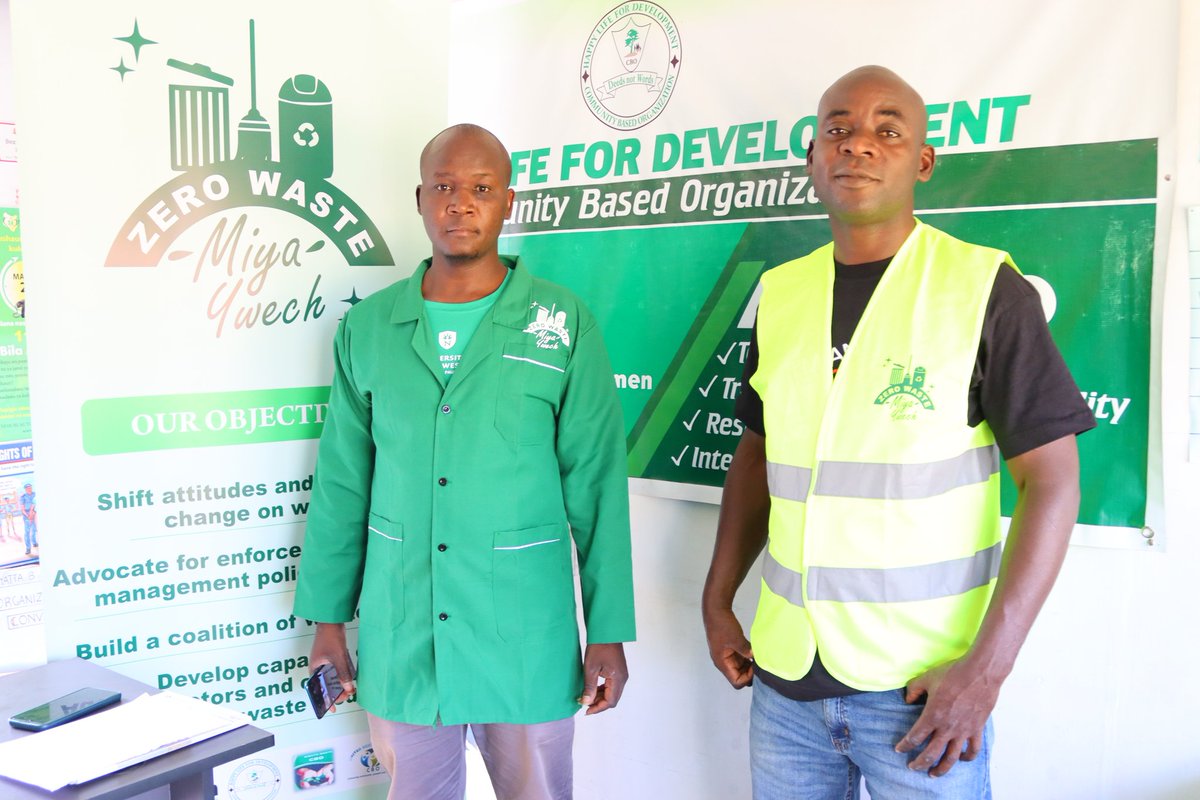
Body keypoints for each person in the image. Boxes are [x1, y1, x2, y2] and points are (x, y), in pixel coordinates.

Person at [701, 66, 1096, 799]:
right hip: (783, 684)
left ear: (921, 162)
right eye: (839, 130)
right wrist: (717, 597)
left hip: (923, 698)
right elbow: (757, 454)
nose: (859, 146)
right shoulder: (781, 294)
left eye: (887, 131)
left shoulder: (984, 289)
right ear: (813, 159)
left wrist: (986, 671)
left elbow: (1053, 481)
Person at [293, 123, 635, 800]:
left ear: (509, 201)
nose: (460, 203)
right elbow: (341, 484)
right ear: (420, 199)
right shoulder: (369, 329)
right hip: (403, 634)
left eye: (480, 188)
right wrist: (328, 623)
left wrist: (608, 632)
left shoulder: (561, 323)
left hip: (525, 637)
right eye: (444, 188)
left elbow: (597, 483)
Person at [19, 482, 36, 555]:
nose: (29, 489)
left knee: (34, 529)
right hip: (27, 514)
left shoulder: (35, 494)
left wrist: (33, 513)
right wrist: (28, 515)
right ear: (25, 489)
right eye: (27, 488)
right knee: (27, 532)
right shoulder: (23, 497)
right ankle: (28, 548)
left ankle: (34, 542)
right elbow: (22, 509)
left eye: (30, 487)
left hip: (36, 513)